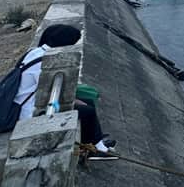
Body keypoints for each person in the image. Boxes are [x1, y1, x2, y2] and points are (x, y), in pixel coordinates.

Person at [16, 24, 117, 159]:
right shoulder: (46, 62)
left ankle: (95, 141)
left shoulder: (36, 52)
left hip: (30, 102)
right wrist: (74, 100)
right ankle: (96, 150)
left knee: (88, 103)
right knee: (88, 111)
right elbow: (47, 94)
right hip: (30, 111)